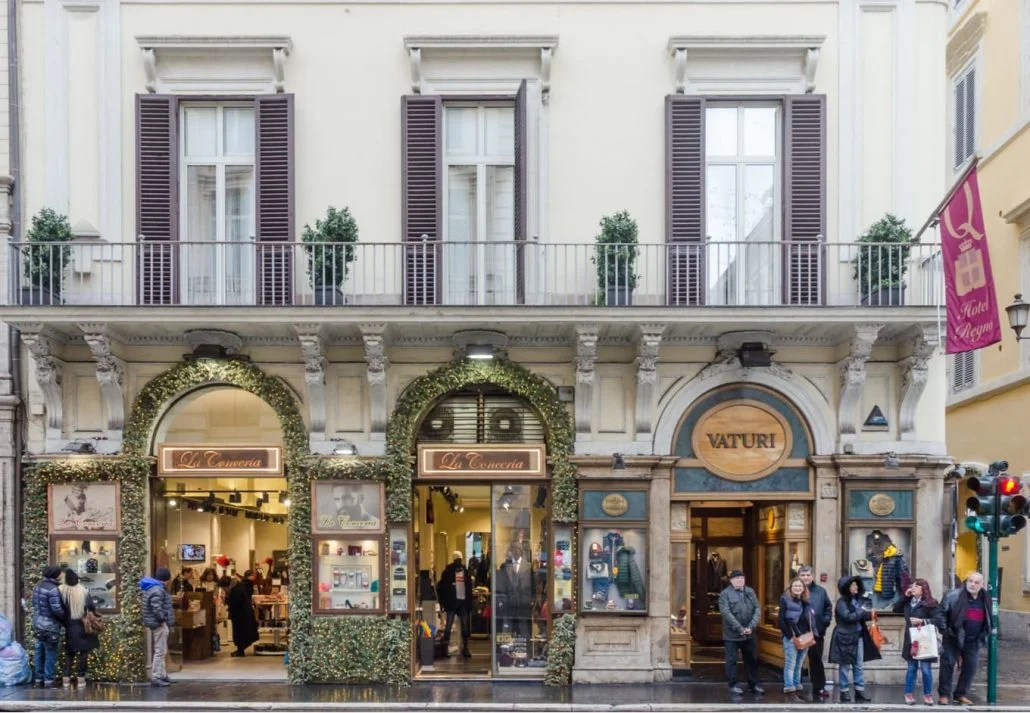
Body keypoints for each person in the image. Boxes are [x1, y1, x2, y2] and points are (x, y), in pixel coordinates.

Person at [937, 572, 990, 705]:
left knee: (970, 667)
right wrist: (945, 630)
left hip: (974, 639)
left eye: (976, 582)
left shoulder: (985, 598)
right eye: (970, 581)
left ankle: (960, 694)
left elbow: (989, 617)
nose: (972, 584)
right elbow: (940, 613)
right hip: (953, 637)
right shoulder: (953, 595)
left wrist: (985, 633)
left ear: (981, 584)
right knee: (947, 665)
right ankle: (944, 695)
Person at [829, 575, 881, 702]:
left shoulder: (856, 600)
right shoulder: (841, 602)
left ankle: (859, 690)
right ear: (847, 588)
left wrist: (870, 615)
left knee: (858, 665)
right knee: (845, 665)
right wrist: (862, 611)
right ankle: (844, 691)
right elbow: (848, 617)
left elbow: (859, 616)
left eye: (856, 585)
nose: (856, 587)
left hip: (858, 637)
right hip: (845, 638)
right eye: (853, 585)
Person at [893, 578, 942, 706]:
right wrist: (905, 596)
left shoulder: (931, 603)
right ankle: (908, 693)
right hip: (911, 640)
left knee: (926, 669)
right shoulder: (908, 602)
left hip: (925, 639)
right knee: (911, 668)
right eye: (912, 586)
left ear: (923, 589)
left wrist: (923, 621)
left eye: (916, 586)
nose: (912, 588)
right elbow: (895, 609)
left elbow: (939, 619)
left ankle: (928, 694)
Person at [717, 569, 765, 696]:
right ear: (731, 581)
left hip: (749, 633)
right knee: (731, 660)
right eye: (737, 578)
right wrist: (740, 628)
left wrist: (751, 626)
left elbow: (757, 608)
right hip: (732, 635)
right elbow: (726, 613)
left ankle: (753, 684)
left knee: (752, 660)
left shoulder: (750, 591)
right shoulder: (724, 594)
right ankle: (732, 684)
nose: (740, 580)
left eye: (742, 578)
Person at [58, 569, 99, 688]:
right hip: (82, 624)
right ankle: (81, 678)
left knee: (70, 653)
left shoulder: (61, 591)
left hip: (69, 625)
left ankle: (66, 678)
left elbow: (59, 609)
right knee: (84, 653)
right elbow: (91, 607)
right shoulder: (83, 590)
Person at [777, 577, 814, 702]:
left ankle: (797, 686)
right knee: (791, 664)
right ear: (790, 587)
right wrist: (789, 636)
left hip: (805, 637)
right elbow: (781, 621)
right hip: (792, 638)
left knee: (799, 664)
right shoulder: (785, 600)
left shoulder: (806, 601)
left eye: (800, 586)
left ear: (804, 588)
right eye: (795, 586)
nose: (797, 588)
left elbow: (810, 619)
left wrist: (813, 632)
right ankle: (789, 688)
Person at [799, 565, 833, 700]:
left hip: (816, 633)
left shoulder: (820, 591)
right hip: (799, 633)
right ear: (799, 576)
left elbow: (828, 608)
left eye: (808, 575)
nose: (806, 577)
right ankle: (796, 688)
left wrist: (824, 623)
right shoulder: (794, 590)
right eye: (803, 575)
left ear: (812, 576)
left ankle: (819, 687)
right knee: (797, 663)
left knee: (816, 661)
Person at [31, 565, 66, 688]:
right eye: (60, 573)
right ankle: (49, 680)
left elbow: (34, 604)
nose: (62, 575)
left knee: (39, 652)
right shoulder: (53, 589)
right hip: (50, 626)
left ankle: (38, 679)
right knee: (50, 653)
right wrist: (65, 618)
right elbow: (57, 610)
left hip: (38, 624)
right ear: (55, 575)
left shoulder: (38, 586)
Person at [140, 567, 173, 687]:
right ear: (166, 579)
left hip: (156, 623)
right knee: (160, 651)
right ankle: (156, 677)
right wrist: (162, 619)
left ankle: (162, 675)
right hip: (158, 623)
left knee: (162, 649)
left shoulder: (152, 588)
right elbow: (156, 607)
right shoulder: (158, 590)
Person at [437, 551, 472, 658]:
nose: (458, 561)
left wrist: (443, 602)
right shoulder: (460, 571)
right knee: (460, 626)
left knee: (451, 626)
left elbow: (441, 587)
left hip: (456, 602)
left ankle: (449, 648)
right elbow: (468, 588)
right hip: (458, 602)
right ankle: (462, 648)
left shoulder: (451, 571)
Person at [227, 570, 259, 657]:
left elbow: (235, 602)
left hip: (240, 614)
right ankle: (241, 649)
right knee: (243, 631)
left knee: (239, 632)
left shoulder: (237, 588)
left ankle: (240, 650)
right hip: (244, 612)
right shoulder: (242, 585)